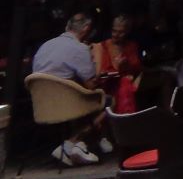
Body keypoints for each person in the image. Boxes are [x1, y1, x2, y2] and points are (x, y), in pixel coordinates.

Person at [33, 12, 107, 166]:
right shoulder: (79, 48)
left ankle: (77, 147)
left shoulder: (45, 46)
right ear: (86, 29)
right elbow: (92, 85)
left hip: (41, 106)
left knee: (80, 97)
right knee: (107, 100)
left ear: (67, 26)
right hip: (67, 105)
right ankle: (73, 143)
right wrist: (98, 54)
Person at [94, 13, 143, 114]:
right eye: (114, 31)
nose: (116, 35)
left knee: (124, 84)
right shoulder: (102, 46)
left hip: (125, 86)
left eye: (121, 32)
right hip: (105, 84)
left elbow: (136, 69)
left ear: (127, 32)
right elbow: (97, 72)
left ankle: (124, 118)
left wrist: (126, 66)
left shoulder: (131, 46)